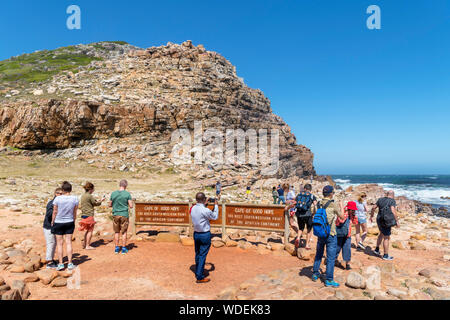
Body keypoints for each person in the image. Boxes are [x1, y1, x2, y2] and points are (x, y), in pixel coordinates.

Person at [311, 185, 344, 288]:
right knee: (330, 257)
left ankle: (315, 273)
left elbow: (313, 213)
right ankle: (329, 279)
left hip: (321, 233)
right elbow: (342, 217)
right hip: (331, 234)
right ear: (331, 194)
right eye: (333, 193)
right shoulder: (333, 204)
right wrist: (341, 205)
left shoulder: (319, 203)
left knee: (318, 254)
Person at [190, 192, 219, 283]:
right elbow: (214, 217)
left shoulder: (193, 208)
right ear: (203, 199)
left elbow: (196, 211)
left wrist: (204, 204)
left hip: (196, 233)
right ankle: (199, 276)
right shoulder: (205, 210)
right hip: (204, 234)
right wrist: (216, 206)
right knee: (203, 255)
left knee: (197, 253)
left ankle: (198, 270)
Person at [51, 181, 79, 271]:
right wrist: (74, 220)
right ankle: (70, 263)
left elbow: (55, 211)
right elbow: (75, 211)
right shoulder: (75, 198)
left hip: (59, 222)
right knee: (68, 242)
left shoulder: (58, 199)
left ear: (63, 190)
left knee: (59, 244)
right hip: (70, 221)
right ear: (70, 189)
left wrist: (52, 221)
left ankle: (61, 263)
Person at [370, 190, 399, 261]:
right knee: (386, 237)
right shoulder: (392, 201)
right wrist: (397, 220)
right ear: (393, 195)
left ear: (387, 194)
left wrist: (371, 216)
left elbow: (373, 207)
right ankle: (385, 255)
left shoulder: (380, 199)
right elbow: (393, 210)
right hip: (386, 221)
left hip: (379, 219)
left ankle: (377, 249)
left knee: (381, 234)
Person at [109, 180, 133, 254]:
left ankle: (116, 248)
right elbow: (131, 206)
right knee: (124, 232)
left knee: (116, 231)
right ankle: (123, 248)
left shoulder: (113, 193)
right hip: (124, 214)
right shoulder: (127, 194)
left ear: (119, 185)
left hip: (116, 214)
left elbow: (110, 205)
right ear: (126, 185)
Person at [79, 182, 105, 250]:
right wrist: (101, 201)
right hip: (89, 214)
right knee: (90, 231)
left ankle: (85, 244)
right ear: (91, 189)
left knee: (87, 230)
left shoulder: (83, 195)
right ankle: (87, 245)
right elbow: (95, 203)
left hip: (84, 214)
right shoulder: (89, 196)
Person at [335, 201, 358, 270]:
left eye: (354, 210)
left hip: (347, 234)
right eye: (352, 210)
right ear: (349, 209)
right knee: (337, 248)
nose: (353, 211)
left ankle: (347, 264)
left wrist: (354, 216)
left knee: (347, 249)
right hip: (339, 234)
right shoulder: (344, 213)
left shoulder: (352, 215)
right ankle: (332, 260)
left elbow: (355, 222)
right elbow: (341, 221)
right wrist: (345, 213)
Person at [43, 188, 63, 269]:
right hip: (48, 227)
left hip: (54, 226)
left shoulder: (58, 203)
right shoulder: (51, 203)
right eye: (59, 193)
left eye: (62, 193)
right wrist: (57, 211)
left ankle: (51, 259)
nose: (61, 195)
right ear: (55, 193)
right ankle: (49, 262)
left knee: (54, 243)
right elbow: (49, 214)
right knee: (51, 243)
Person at [293, 184, 317, 249]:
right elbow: (315, 205)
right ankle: (307, 244)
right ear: (310, 189)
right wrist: (314, 213)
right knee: (309, 229)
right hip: (308, 215)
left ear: (305, 188)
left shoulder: (299, 195)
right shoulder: (312, 196)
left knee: (301, 228)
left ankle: (298, 238)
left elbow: (294, 202)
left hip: (299, 214)